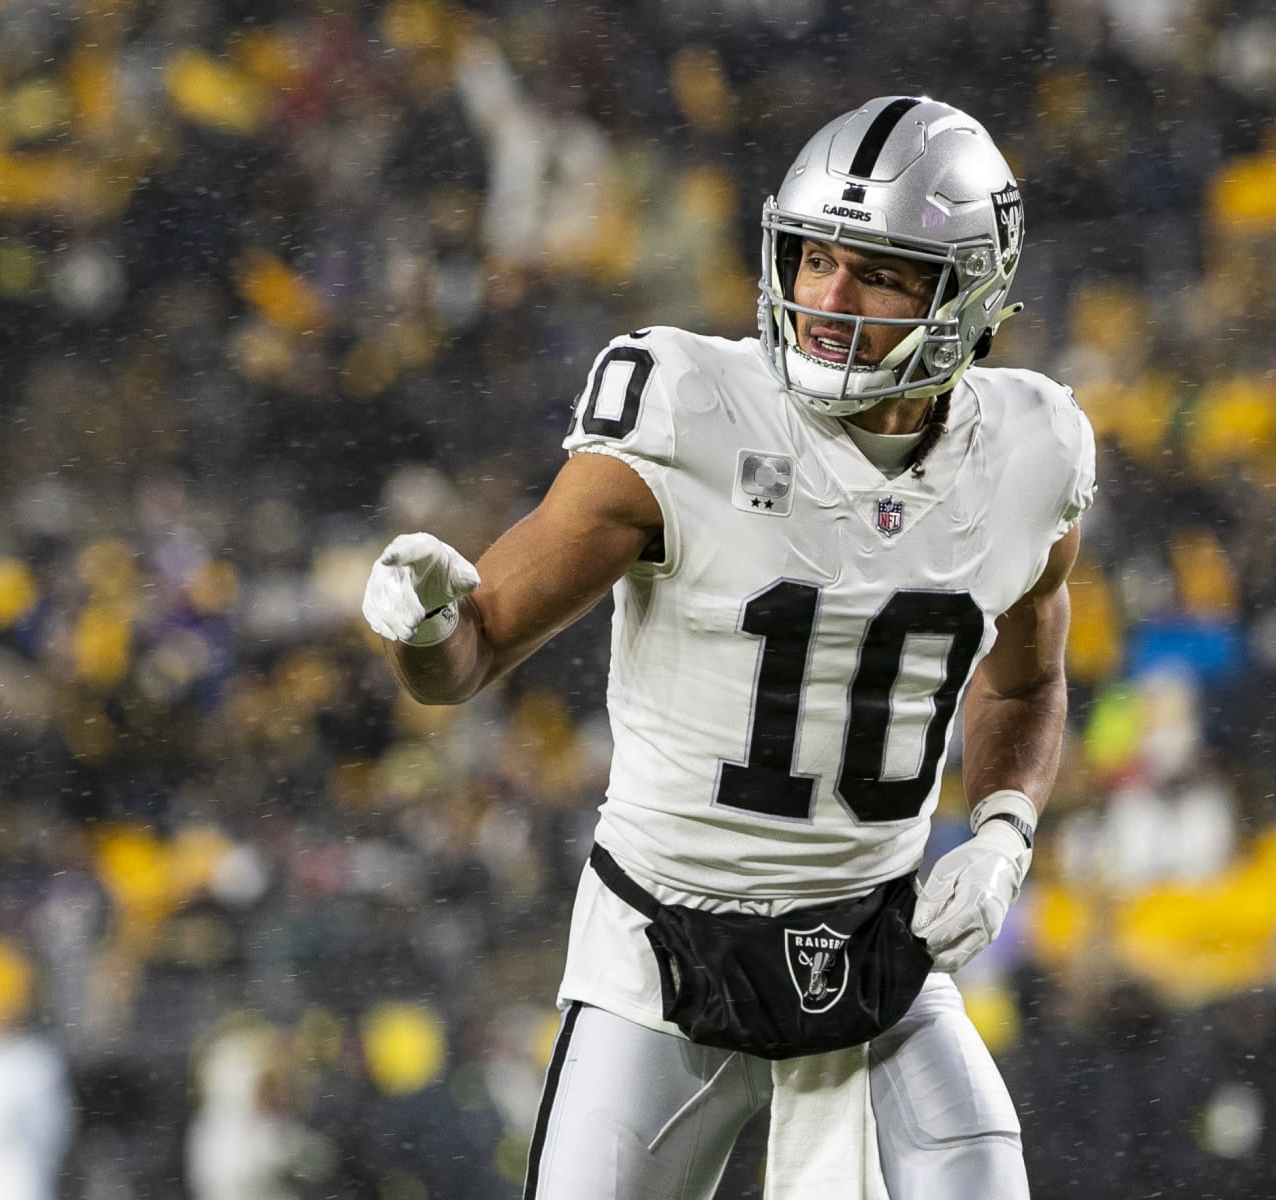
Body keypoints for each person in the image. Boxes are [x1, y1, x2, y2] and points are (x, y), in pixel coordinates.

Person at [363, 94, 1094, 1199]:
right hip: (663, 955)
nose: (828, 301)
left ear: (972, 292)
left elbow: (1029, 676)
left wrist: (1001, 830)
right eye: (811, 260)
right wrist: (420, 625)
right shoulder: (690, 406)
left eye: (881, 273)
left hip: (877, 956)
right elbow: (469, 657)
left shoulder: (1034, 450)